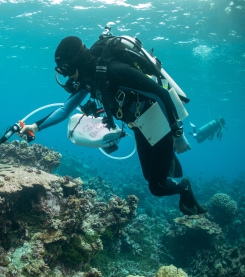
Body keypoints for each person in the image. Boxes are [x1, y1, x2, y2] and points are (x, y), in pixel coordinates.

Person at [20, 35, 206, 216]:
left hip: (160, 122)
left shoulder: (115, 70)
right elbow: (64, 110)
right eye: (62, 71)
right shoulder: (88, 79)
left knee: (156, 187)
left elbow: (162, 95)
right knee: (150, 177)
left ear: (78, 61)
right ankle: (167, 158)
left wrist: (178, 134)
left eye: (67, 70)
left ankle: (184, 188)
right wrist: (35, 127)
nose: (68, 77)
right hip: (139, 125)